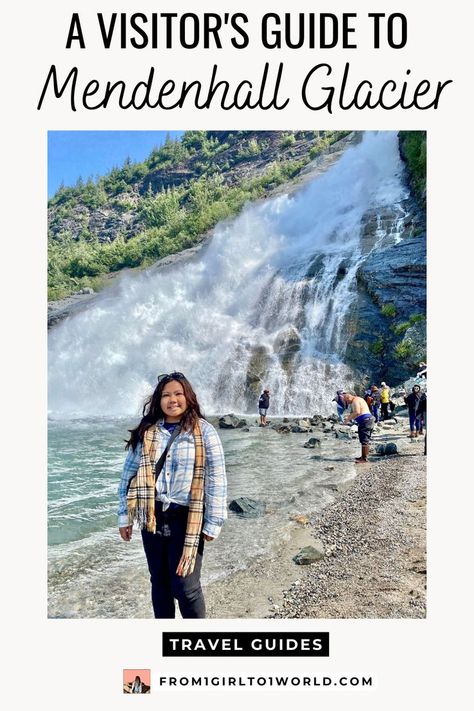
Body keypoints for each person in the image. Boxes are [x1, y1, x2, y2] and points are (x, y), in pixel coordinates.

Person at [118, 372, 227, 619]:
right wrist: (124, 516)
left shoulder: (205, 432)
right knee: (159, 582)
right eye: (166, 395)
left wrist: (214, 522)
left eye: (178, 393)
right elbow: (128, 475)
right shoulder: (148, 432)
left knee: (186, 587)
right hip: (151, 515)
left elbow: (217, 479)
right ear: (158, 401)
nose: (172, 399)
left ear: (188, 397)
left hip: (186, 518)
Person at [342, 392, 375, 464]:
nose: (347, 402)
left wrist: (347, 420)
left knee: (364, 440)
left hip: (366, 421)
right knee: (364, 439)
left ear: (348, 397)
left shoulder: (355, 400)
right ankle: (363, 456)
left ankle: (364, 459)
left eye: (346, 400)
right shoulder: (359, 399)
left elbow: (357, 412)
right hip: (367, 420)